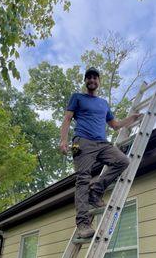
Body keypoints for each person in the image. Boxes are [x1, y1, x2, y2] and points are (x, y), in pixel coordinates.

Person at [60, 67, 142, 238]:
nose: (92, 80)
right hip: (83, 142)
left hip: (102, 143)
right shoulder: (77, 97)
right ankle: (83, 224)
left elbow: (115, 125)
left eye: (95, 78)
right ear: (85, 81)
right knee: (83, 179)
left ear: (99, 82)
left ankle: (96, 191)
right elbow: (67, 118)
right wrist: (63, 140)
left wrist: (131, 119)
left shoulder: (103, 103)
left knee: (123, 161)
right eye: (88, 78)